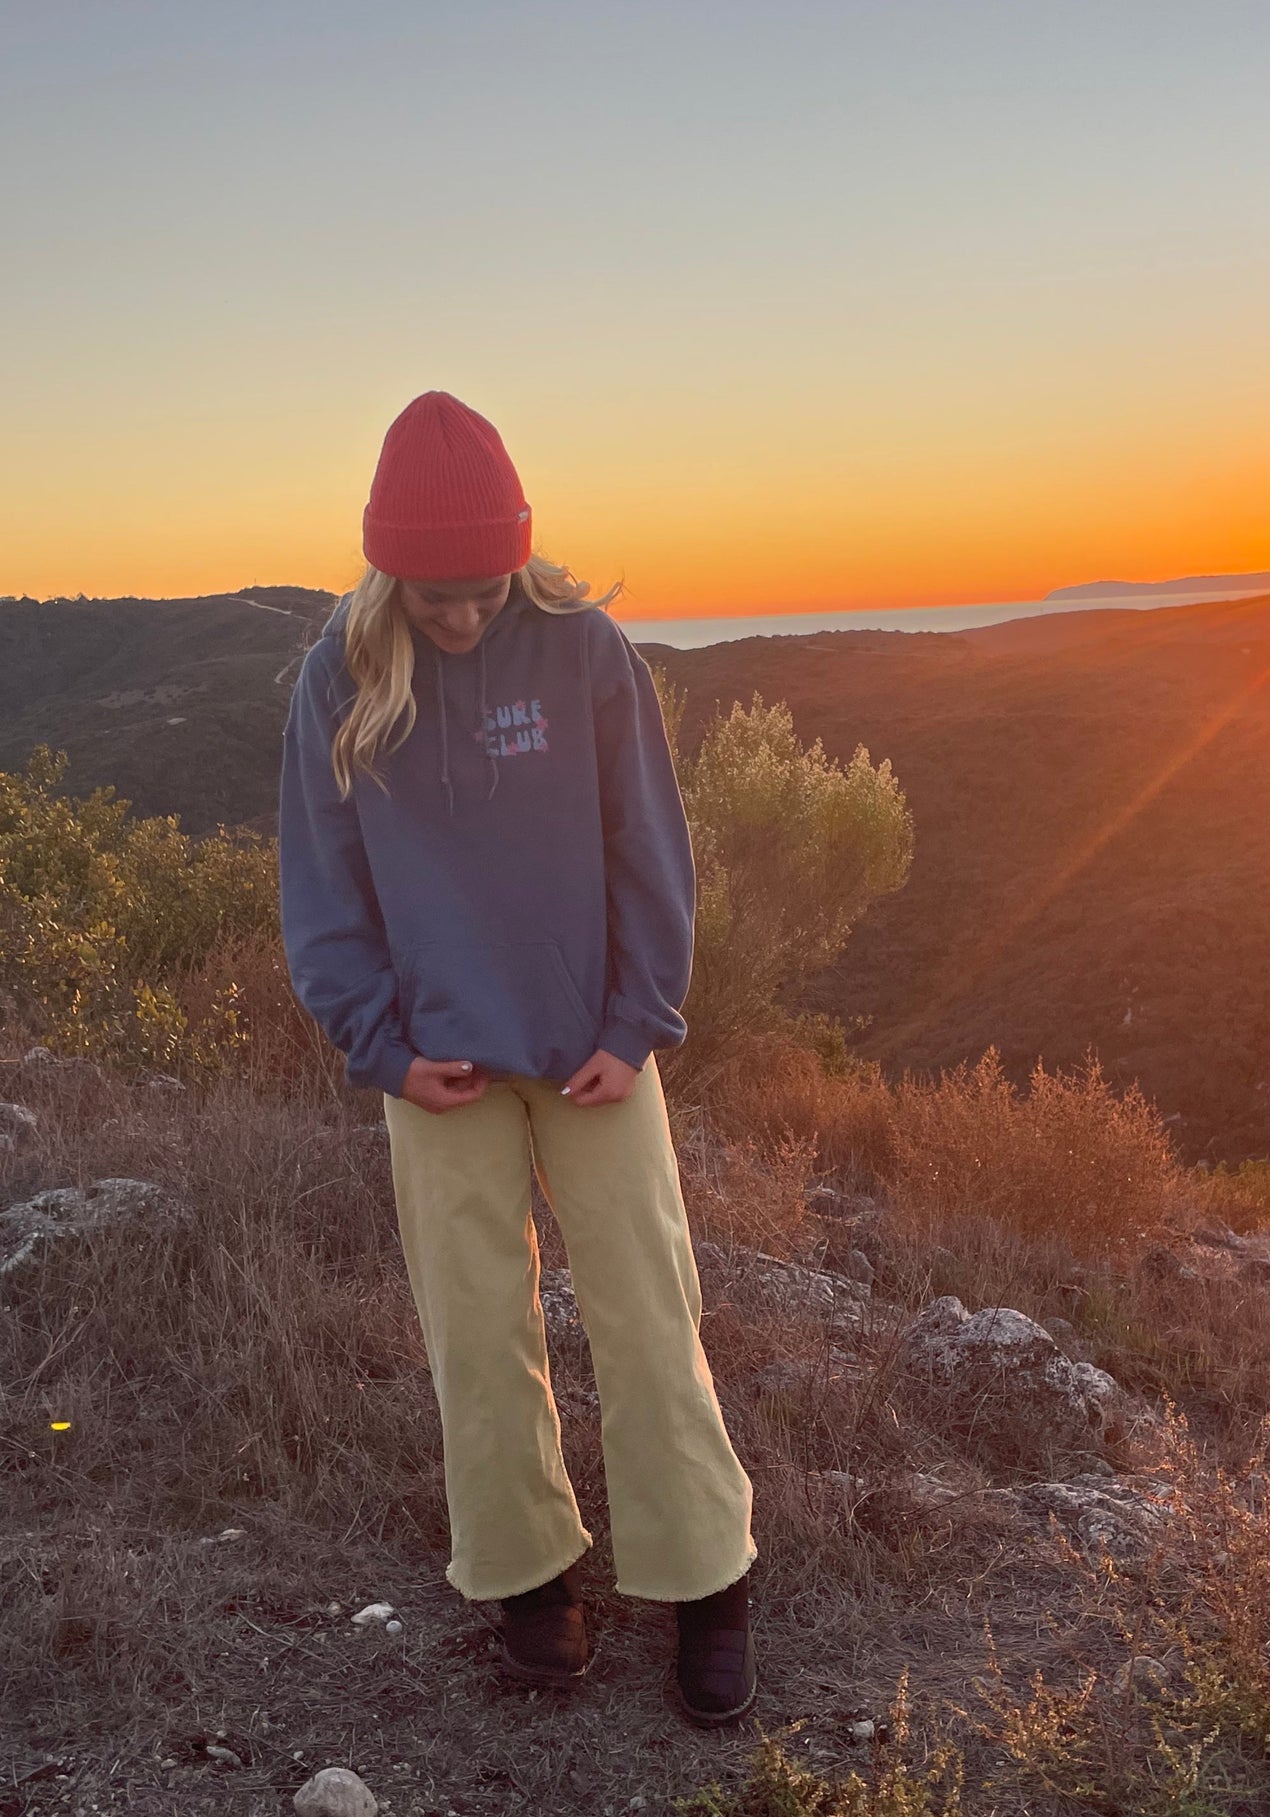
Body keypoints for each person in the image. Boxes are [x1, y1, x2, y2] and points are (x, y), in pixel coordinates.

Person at [277, 389, 758, 1726]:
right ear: (386, 571)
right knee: (475, 1330)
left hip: (594, 1047)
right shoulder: (340, 673)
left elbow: (646, 848)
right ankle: (527, 1578)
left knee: (648, 1312)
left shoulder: (585, 652)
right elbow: (322, 888)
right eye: (435, 593)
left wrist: (635, 1021)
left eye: (483, 588)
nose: (462, 616)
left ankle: (704, 1581)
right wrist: (380, 1044)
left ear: (519, 559)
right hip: (436, 1065)